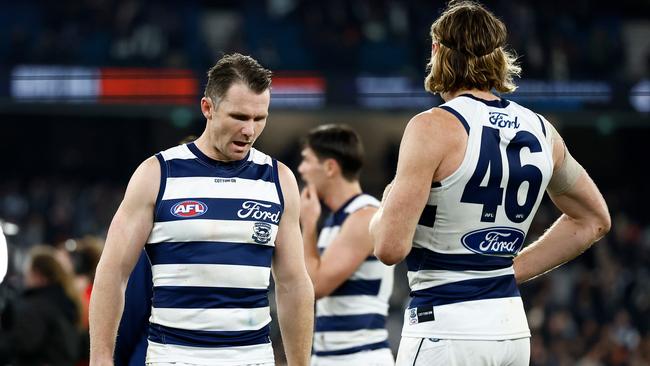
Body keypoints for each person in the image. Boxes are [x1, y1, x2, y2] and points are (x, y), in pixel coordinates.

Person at [369, 1, 611, 365]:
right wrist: (507, 271)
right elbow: (594, 220)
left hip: (445, 325)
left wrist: (386, 204)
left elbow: (389, 248)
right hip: (510, 327)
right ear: (498, 57)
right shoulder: (542, 130)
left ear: (437, 51)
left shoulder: (432, 127)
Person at [89, 53, 314, 366]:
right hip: (174, 358)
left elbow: (293, 283)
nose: (249, 130)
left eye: (259, 118)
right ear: (208, 108)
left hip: (251, 359)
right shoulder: (156, 174)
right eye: (239, 117)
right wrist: (100, 358)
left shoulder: (279, 179)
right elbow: (113, 273)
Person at [298, 124, 394, 366]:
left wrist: (308, 224)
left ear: (330, 167)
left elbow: (314, 286)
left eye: (307, 160)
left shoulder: (363, 216)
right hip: (333, 356)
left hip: (358, 356)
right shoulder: (335, 220)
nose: (301, 169)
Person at [0, 245, 82, 365]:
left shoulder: (37, 307)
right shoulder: (64, 300)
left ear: (38, 276)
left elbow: (19, 345)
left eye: (28, 272)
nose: (25, 277)